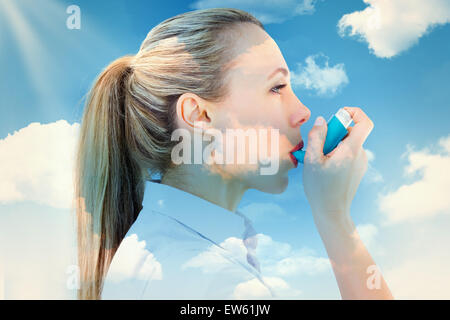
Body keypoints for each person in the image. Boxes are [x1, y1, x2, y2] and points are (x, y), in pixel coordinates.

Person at [74, 8, 393, 300]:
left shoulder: (150, 250)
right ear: (199, 116)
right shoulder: (221, 284)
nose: (302, 112)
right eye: (277, 88)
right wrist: (335, 219)